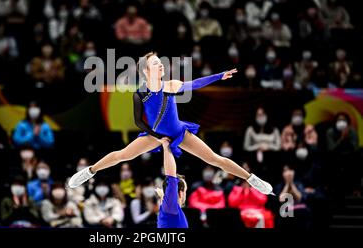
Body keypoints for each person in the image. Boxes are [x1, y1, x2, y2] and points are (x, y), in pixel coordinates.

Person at [69, 52, 273, 196]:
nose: (161, 65)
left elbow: (195, 84)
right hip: (154, 134)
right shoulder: (140, 93)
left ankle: (252, 179)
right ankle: (89, 172)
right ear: (147, 71)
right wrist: (158, 138)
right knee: (124, 154)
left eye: (161, 62)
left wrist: (219, 76)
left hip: (179, 132)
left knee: (214, 159)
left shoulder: (171, 85)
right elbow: (138, 121)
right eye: (156, 63)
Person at [153, 136, 188, 228]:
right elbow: (171, 176)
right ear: (180, 193)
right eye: (185, 191)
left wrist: (162, 195)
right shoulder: (170, 209)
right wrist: (166, 146)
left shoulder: (168, 209)